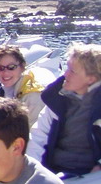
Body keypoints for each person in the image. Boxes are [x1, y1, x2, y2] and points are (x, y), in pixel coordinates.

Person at [27, 42, 101, 176]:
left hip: (91, 176)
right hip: (55, 173)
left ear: (91, 79)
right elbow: (38, 138)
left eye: (72, 71)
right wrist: (32, 173)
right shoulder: (57, 100)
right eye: (67, 68)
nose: (65, 74)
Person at [0, 44, 46, 126]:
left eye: (11, 67)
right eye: (0, 68)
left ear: (22, 67)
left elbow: (30, 131)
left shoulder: (32, 96)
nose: (6, 73)